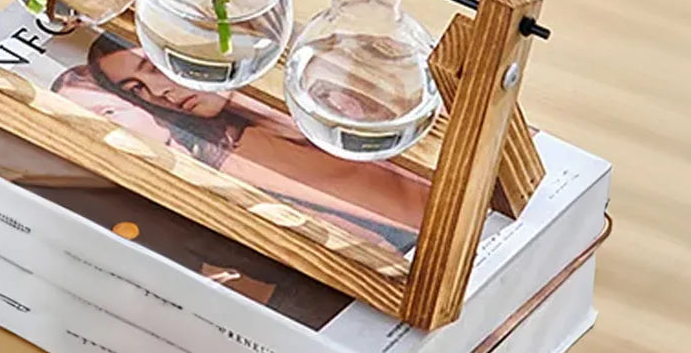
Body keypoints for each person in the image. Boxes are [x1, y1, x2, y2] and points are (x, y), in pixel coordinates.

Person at [51, 34, 432, 254]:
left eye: (155, 71)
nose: (160, 93)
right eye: (138, 91)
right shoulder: (235, 156)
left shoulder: (308, 69)